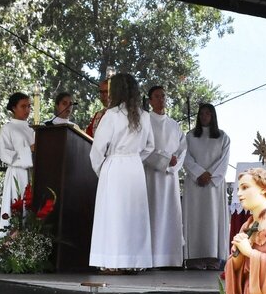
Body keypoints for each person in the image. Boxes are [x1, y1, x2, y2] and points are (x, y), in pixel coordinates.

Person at [88, 73, 155, 272]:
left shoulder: (112, 115)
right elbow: (150, 146)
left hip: (115, 166)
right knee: (134, 215)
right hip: (135, 168)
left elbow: (97, 150)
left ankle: (113, 263)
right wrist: (134, 159)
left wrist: (102, 170)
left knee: (113, 214)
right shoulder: (144, 116)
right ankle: (134, 262)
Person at [183, 103, 231, 269]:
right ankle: (194, 258)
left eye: (208, 113)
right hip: (195, 184)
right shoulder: (190, 136)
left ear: (213, 116)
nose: (204, 116)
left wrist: (209, 174)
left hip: (213, 185)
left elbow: (224, 160)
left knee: (213, 220)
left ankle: (213, 258)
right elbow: (185, 157)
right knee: (195, 219)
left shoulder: (222, 137)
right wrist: (198, 173)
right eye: (202, 113)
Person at [145, 85, 187, 268]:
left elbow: (183, 149)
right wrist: (164, 160)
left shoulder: (174, 124)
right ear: (150, 100)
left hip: (170, 178)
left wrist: (172, 165)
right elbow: (143, 147)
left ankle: (169, 259)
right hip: (151, 176)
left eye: (163, 96)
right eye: (156, 96)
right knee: (152, 213)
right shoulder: (145, 121)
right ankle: (151, 257)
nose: (161, 99)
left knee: (170, 215)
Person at [0, 91, 35, 230]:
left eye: (29, 106)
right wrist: (28, 150)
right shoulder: (8, 128)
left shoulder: (32, 129)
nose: (27, 110)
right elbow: (4, 153)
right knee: (16, 210)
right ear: (14, 108)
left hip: (32, 174)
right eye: (23, 106)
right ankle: (13, 237)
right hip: (17, 174)